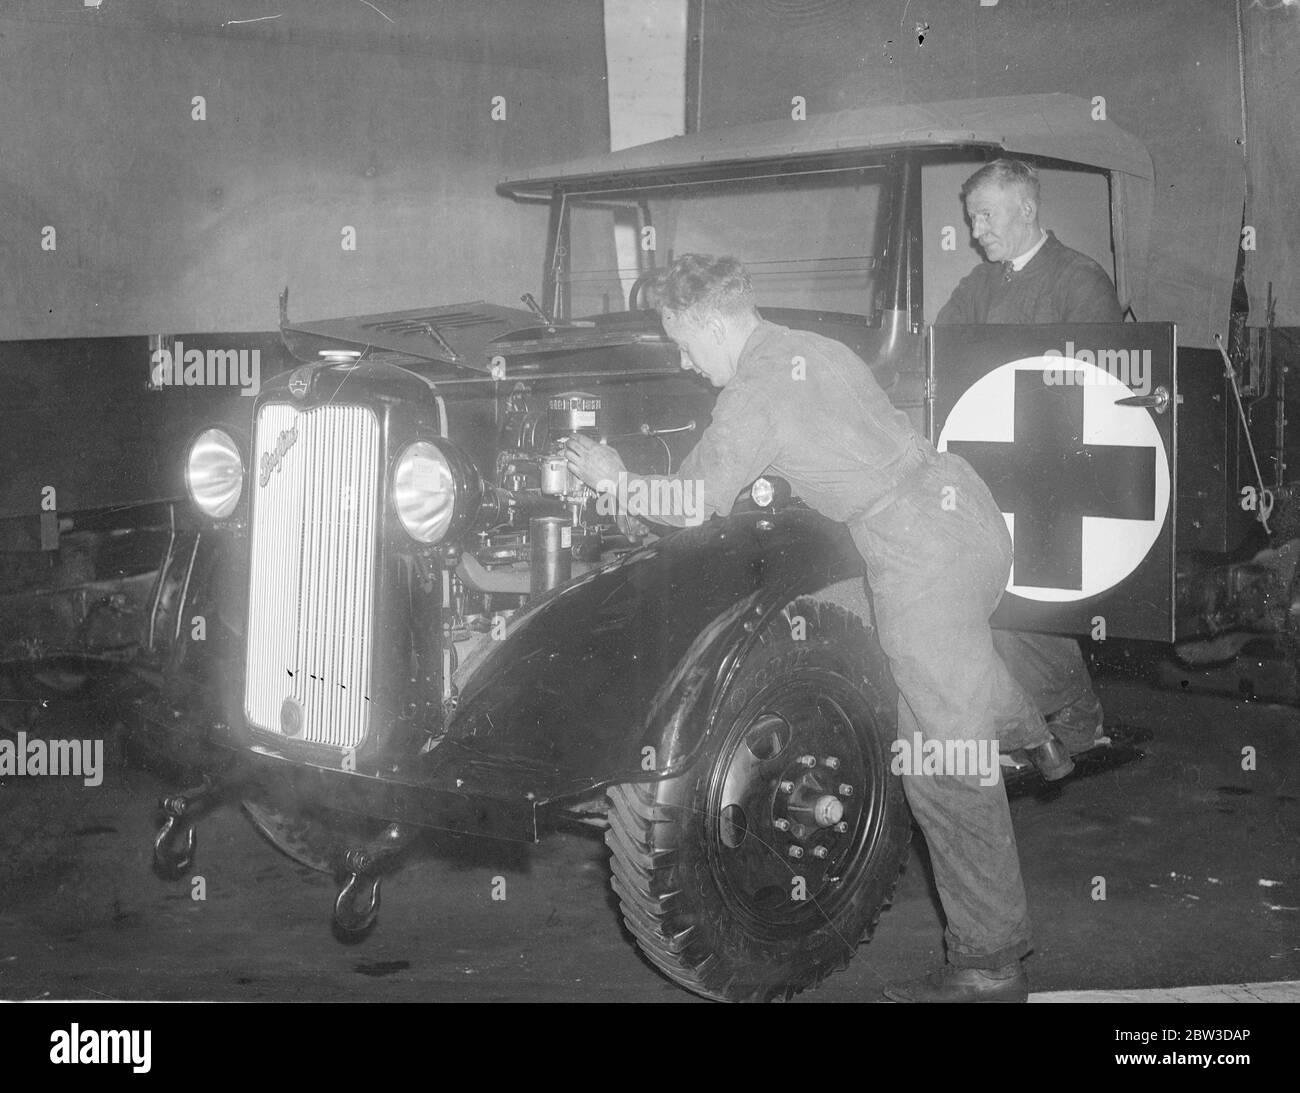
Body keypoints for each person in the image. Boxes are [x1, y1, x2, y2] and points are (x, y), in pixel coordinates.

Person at [566, 253, 1072, 1003]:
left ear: (708, 321)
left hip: (918, 552)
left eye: (680, 340)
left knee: (940, 763)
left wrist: (612, 478)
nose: (683, 359)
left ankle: (990, 964)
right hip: (961, 511)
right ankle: (1040, 732)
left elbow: (693, 502)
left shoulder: (756, 391)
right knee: (917, 661)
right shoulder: (810, 348)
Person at [937, 157, 1123, 752]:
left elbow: (1102, 383)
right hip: (995, 464)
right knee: (993, 589)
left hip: (1058, 466)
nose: (976, 231)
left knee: (1030, 594)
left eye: (986, 215)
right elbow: (943, 357)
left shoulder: (1080, 278)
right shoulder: (979, 285)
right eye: (971, 219)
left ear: (1027, 208)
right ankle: (1038, 716)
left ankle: (1072, 712)